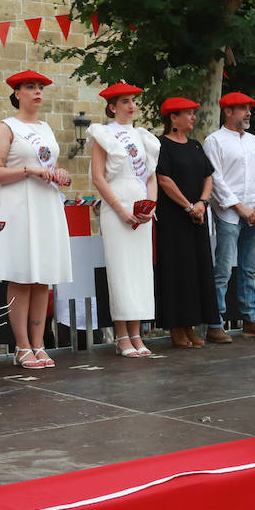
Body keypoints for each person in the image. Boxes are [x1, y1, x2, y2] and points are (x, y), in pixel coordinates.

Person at [0, 70, 73, 368]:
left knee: (42, 278)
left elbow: (51, 165)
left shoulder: (46, 128)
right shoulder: (6, 127)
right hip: (18, 204)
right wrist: (27, 171)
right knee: (22, 275)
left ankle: (38, 344)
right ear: (17, 93)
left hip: (45, 203)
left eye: (40, 87)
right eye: (30, 87)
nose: (37, 92)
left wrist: (59, 174)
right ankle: (21, 346)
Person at [88, 83, 160, 357]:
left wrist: (150, 206)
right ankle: (121, 336)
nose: (132, 106)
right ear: (112, 106)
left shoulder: (143, 137)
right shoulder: (103, 134)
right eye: (125, 101)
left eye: (133, 101)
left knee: (141, 271)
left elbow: (151, 175)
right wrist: (120, 209)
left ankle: (137, 334)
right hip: (116, 206)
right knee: (121, 271)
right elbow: (98, 177)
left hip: (142, 210)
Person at [203, 91, 255, 338]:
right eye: (243, 108)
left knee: (249, 268)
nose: (248, 112)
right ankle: (216, 322)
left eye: (248, 108)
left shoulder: (254, 141)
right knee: (223, 269)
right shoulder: (214, 140)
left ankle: (250, 317)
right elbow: (216, 179)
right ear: (228, 111)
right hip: (229, 214)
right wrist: (238, 206)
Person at [154, 96, 220, 347]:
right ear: (173, 117)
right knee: (176, 270)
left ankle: (191, 325)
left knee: (196, 270)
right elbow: (164, 179)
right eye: (188, 113)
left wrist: (202, 203)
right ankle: (176, 326)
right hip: (174, 218)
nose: (193, 117)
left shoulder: (195, 145)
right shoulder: (162, 145)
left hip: (197, 217)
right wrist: (188, 206)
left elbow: (208, 176)